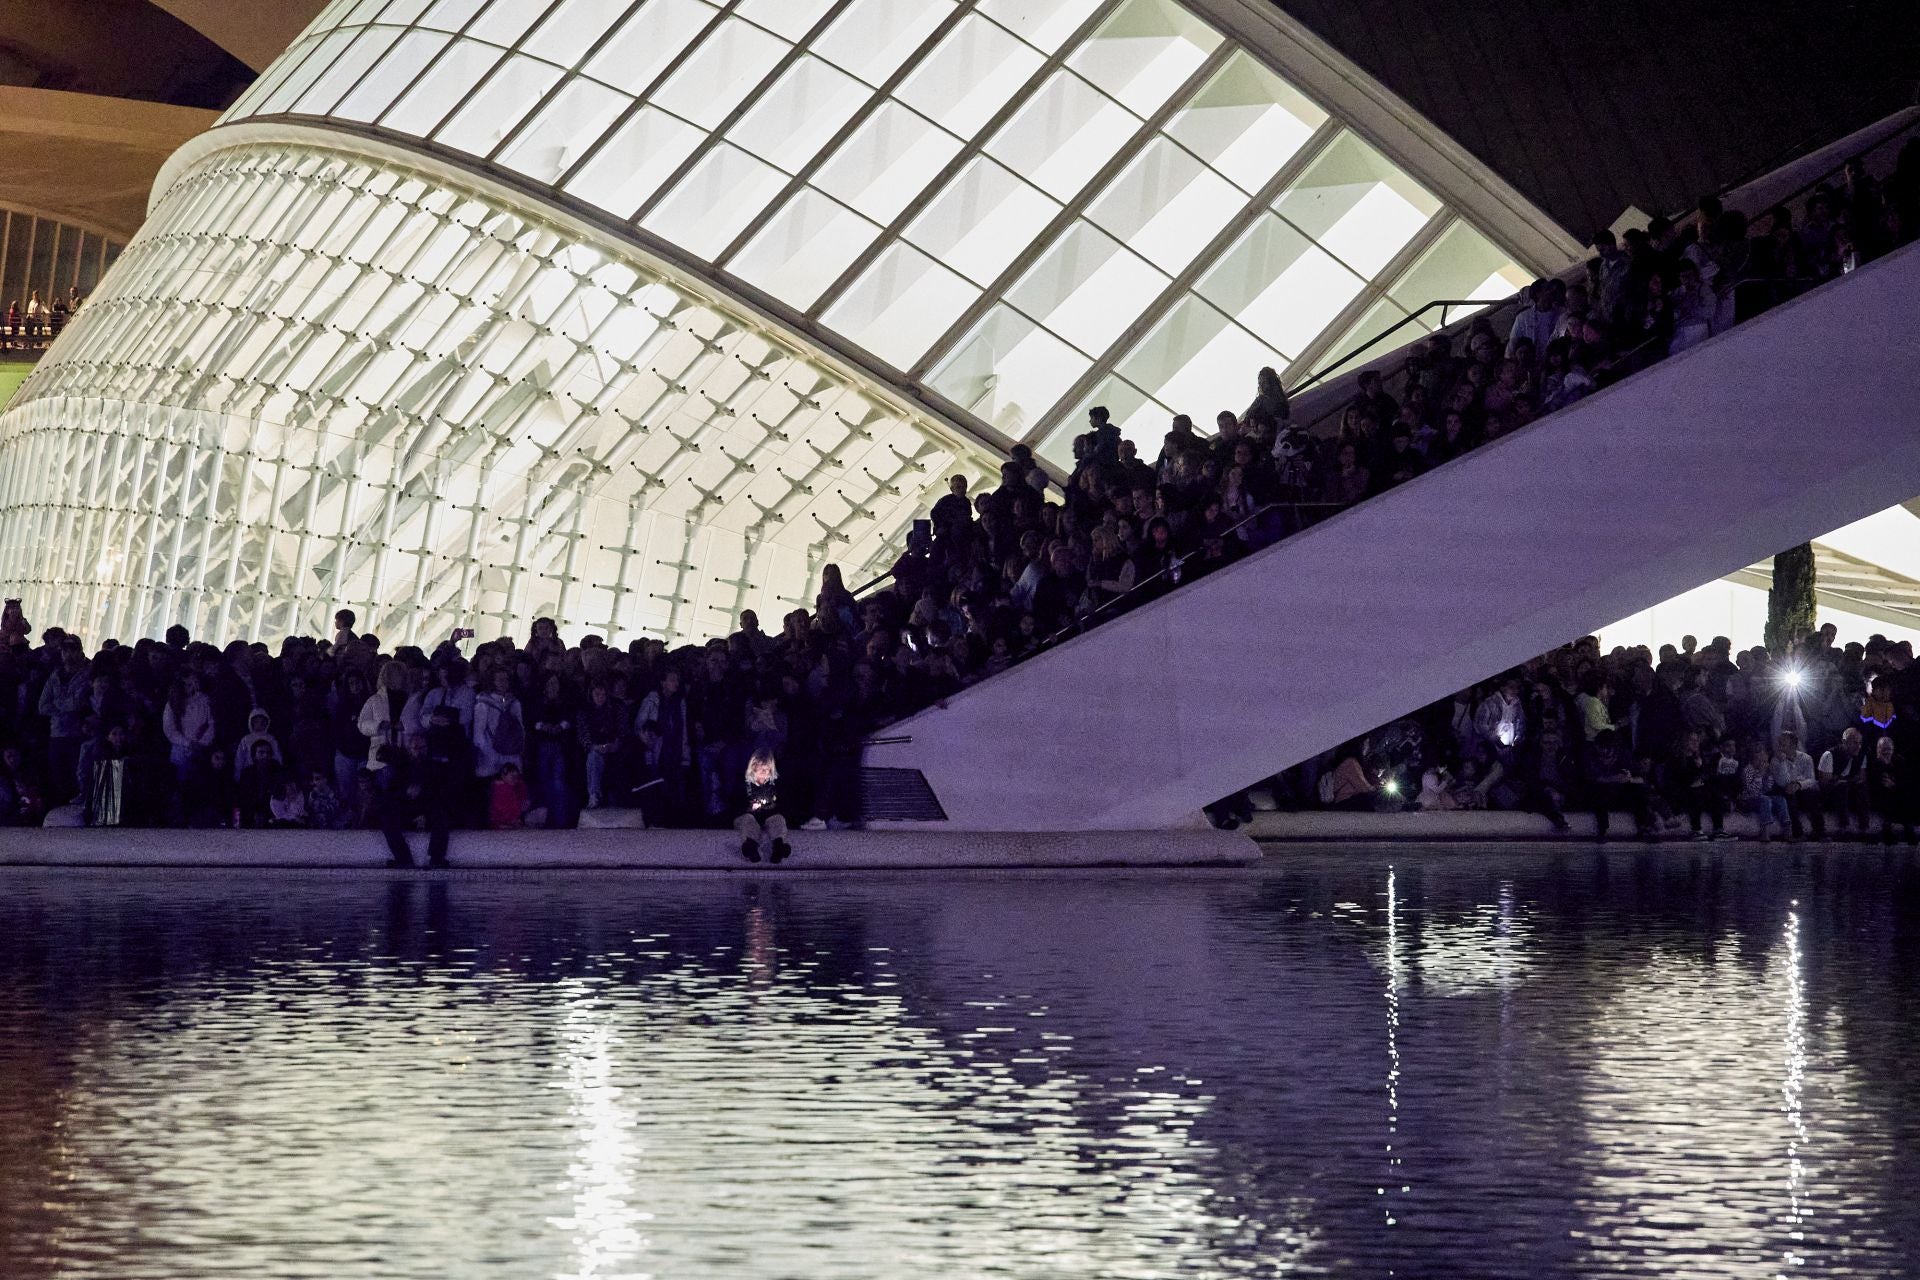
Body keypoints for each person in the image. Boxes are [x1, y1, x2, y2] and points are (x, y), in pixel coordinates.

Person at [736, 748, 790, 864]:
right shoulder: (744, 785)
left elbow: (780, 803)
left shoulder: (775, 785)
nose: (763, 773)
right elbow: (738, 804)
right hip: (749, 815)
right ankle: (751, 847)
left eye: (766, 770)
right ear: (753, 768)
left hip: (769, 815)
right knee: (748, 820)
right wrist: (750, 807)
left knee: (778, 820)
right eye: (760, 769)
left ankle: (778, 847)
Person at [1818, 726, 1870, 835]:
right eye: (1855, 743)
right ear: (1844, 742)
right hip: (1830, 796)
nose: (1858, 747)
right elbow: (1824, 783)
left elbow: (1861, 778)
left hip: (1849, 793)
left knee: (1862, 788)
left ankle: (1864, 827)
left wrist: (1844, 780)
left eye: (1860, 743)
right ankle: (1844, 826)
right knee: (1842, 787)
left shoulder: (1861, 756)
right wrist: (1841, 781)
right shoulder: (1829, 755)